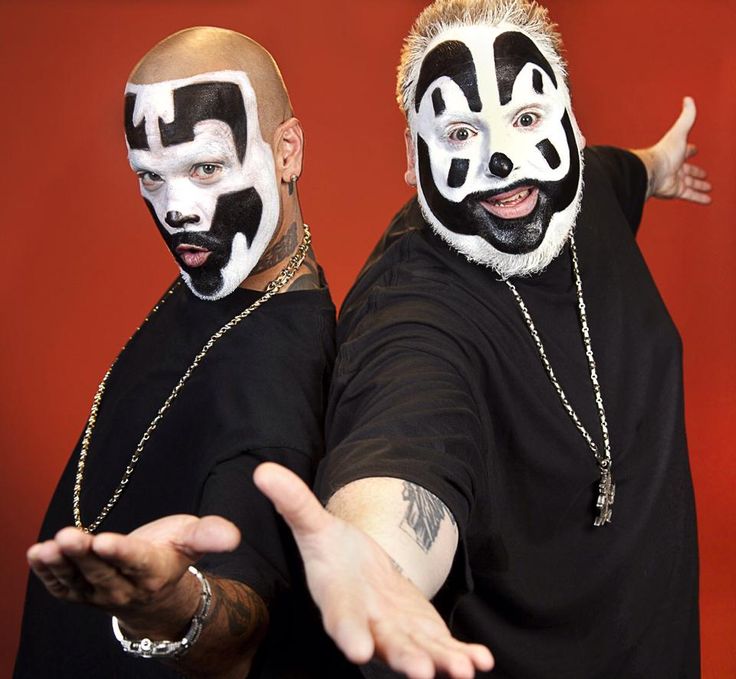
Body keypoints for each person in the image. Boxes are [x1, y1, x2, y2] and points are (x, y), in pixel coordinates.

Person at [255, 1, 712, 677]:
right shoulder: (410, 307)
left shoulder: (586, 187)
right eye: (461, 133)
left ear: (570, 126)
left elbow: (618, 171)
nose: (503, 158)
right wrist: (378, 566)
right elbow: (405, 438)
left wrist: (658, 165)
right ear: (413, 161)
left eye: (527, 119)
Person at [15, 27, 337, 679]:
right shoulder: (225, 276)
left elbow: (241, 621)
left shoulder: (277, 367)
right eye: (150, 177)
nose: (177, 209)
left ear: (287, 152)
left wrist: (168, 606)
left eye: (206, 168)